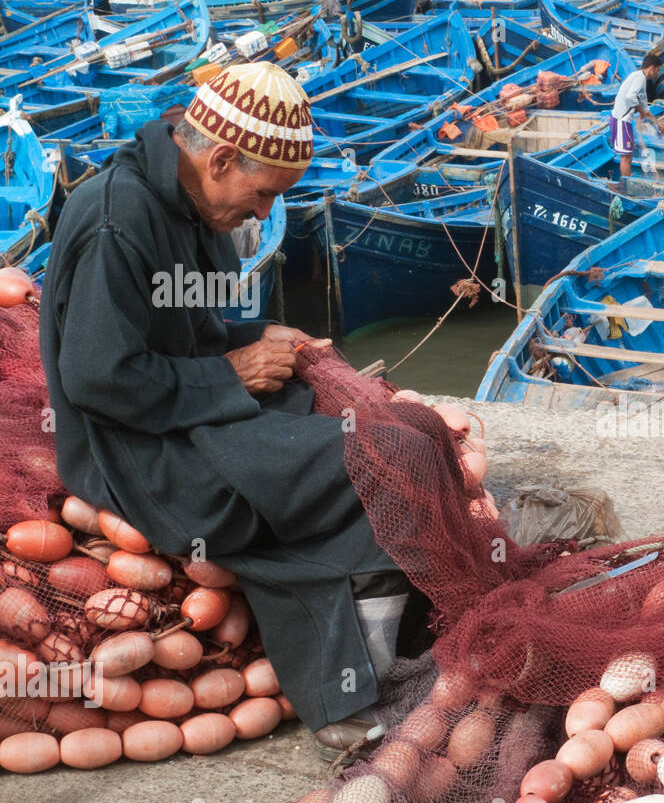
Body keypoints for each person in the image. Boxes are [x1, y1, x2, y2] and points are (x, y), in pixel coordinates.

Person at [38, 62, 421, 760]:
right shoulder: (117, 221)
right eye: (264, 194)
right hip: (138, 454)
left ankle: (370, 650)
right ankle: (351, 692)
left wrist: (255, 339)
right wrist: (232, 374)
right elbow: (98, 378)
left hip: (184, 414)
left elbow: (185, 331)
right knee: (374, 461)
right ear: (219, 157)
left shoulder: (190, 205)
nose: (265, 214)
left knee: (363, 427)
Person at [610, 52, 662, 180]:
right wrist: (639, 108)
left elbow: (644, 107)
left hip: (621, 119)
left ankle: (626, 178)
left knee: (628, 154)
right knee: (626, 157)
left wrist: (657, 123)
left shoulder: (638, 77)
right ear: (651, 68)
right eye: (657, 70)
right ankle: (626, 185)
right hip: (622, 120)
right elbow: (630, 97)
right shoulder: (640, 79)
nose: (657, 74)